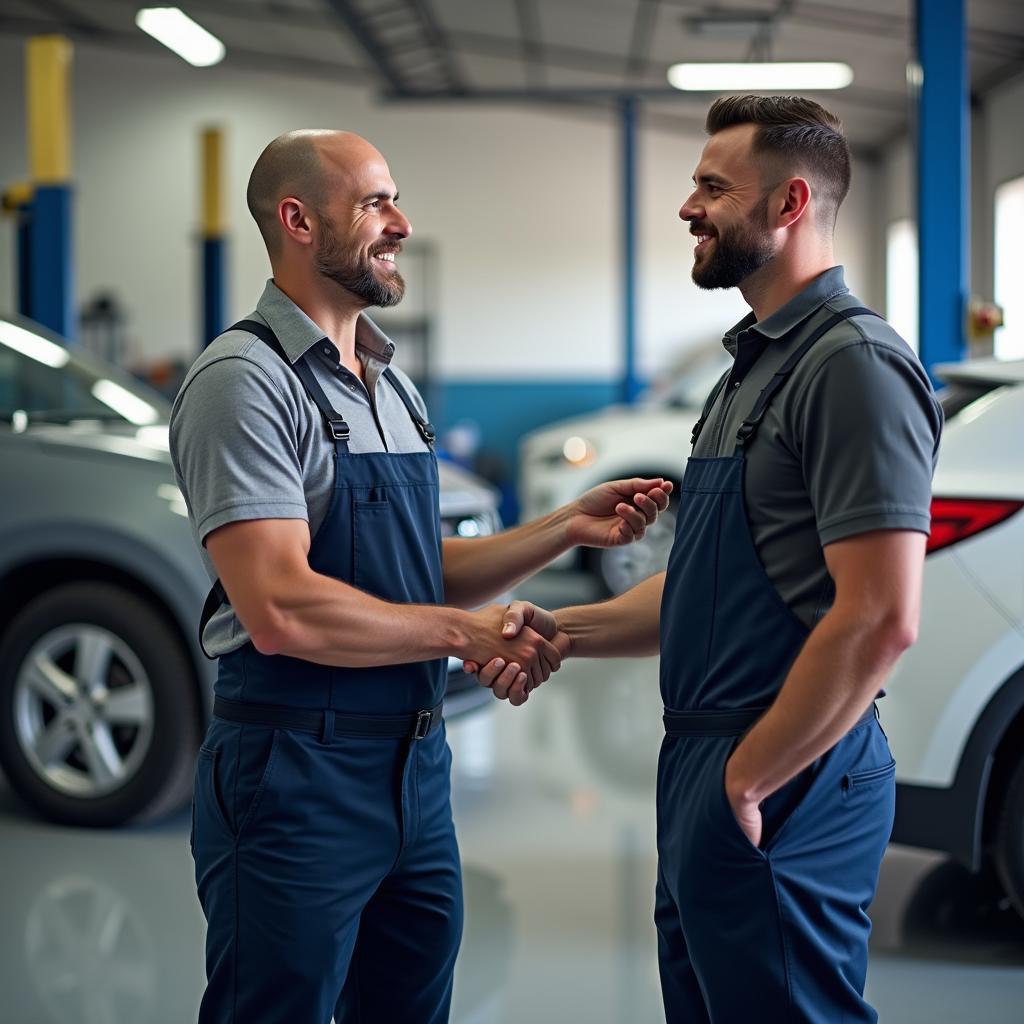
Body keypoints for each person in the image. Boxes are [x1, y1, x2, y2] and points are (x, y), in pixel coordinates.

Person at [169, 128, 672, 1024]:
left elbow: (408, 571)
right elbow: (280, 606)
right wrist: (463, 633)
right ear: (296, 219)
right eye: (374, 203)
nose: (400, 223)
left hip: (413, 771)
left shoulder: (390, 386)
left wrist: (563, 527)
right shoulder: (243, 382)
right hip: (295, 771)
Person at [471, 96, 943, 1022]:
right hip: (706, 758)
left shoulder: (853, 365)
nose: (690, 206)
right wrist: (547, 628)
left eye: (713, 186)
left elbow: (882, 616)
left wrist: (749, 778)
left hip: (785, 766)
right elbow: (706, 593)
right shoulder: (750, 369)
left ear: (790, 203)